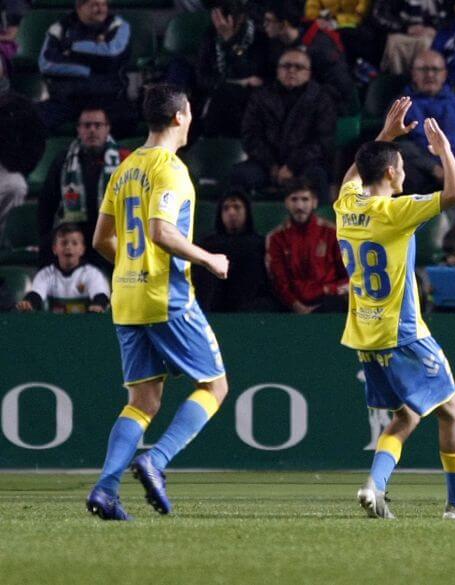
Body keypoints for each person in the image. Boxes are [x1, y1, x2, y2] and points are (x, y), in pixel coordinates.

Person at [337, 97, 455, 520]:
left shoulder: (345, 205)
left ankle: (374, 486)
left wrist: (384, 137)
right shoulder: (394, 210)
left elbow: (355, 173)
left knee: (407, 414)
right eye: (402, 168)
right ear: (392, 173)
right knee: (452, 409)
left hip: (365, 332)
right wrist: (444, 150)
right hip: (404, 330)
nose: (405, 174)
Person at [85, 84, 230, 521]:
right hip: (164, 294)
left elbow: (100, 240)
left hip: (126, 295)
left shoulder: (125, 169)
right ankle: (157, 460)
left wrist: (130, 265)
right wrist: (209, 259)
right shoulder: (171, 169)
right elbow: (161, 232)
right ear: (181, 116)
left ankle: (107, 489)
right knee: (215, 386)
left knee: (143, 400)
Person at [232, 48, 336, 198]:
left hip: (306, 164)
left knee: (317, 176)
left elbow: (322, 141)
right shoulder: (260, 97)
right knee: (240, 175)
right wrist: (272, 166)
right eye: (286, 66)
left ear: (309, 72)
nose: (292, 71)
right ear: (277, 70)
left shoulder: (322, 99)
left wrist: (291, 166)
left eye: (299, 67)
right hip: (266, 164)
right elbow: (250, 136)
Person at [38, 107, 130, 269]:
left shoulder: (125, 159)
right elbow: (47, 204)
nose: (92, 130)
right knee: (49, 246)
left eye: (97, 125)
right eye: (87, 126)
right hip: (75, 232)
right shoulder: (63, 160)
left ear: (107, 128)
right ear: (79, 129)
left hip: (112, 231)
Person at [397, 50, 455, 195]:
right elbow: (400, 142)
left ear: (444, 74)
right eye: (424, 70)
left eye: (436, 70)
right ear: (413, 74)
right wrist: (433, 168)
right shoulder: (401, 105)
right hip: (423, 171)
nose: (430, 75)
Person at [37, 0, 134, 135]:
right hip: (67, 98)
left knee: (129, 121)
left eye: (103, 4)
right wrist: (86, 70)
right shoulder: (60, 27)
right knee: (32, 119)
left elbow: (112, 55)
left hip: (107, 97)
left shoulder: (118, 25)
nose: (101, 9)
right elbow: (46, 63)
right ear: (79, 7)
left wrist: (72, 48)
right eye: (94, 5)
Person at [266, 179, 348, 314]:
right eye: (294, 200)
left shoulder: (332, 233)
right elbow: (279, 281)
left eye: (305, 199)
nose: (299, 206)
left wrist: (330, 290)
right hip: (291, 304)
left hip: (328, 301)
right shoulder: (276, 238)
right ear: (286, 203)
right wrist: (295, 305)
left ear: (314, 202)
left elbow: (349, 275)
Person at [262, 0, 356, 114]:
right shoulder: (276, 45)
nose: (264, 25)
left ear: (283, 24)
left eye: (268, 21)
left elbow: (342, 88)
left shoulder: (320, 46)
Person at [194, 189, 278, 313]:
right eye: (226, 208)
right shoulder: (208, 245)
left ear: (247, 212)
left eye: (237, 207)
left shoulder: (259, 244)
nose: (231, 212)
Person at [196, 0, 268, 137]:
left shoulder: (259, 38)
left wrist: (230, 42)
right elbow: (202, 78)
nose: (218, 24)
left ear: (241, 18)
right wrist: (238, 83)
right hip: (218, 98)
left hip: (248, 102)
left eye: (222, 19)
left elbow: (252, 75)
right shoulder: (210, 35)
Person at [16, 223, 110, 314]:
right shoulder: (46, 274)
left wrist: (98, 305)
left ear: (82, 249)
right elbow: (36, 294)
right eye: (64, 243)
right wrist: (28, 303)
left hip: (86, 326)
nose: (68, 247)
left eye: (74, 243)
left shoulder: (92, 274)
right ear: (55, 249)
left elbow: (100, 296)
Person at [371, 0, 449, 75]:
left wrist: (435, 29)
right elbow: (380, 14)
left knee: (427, 43)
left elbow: (451, 16)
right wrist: (405, 28)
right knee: (396, 41)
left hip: (433, 33)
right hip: (400, 30)